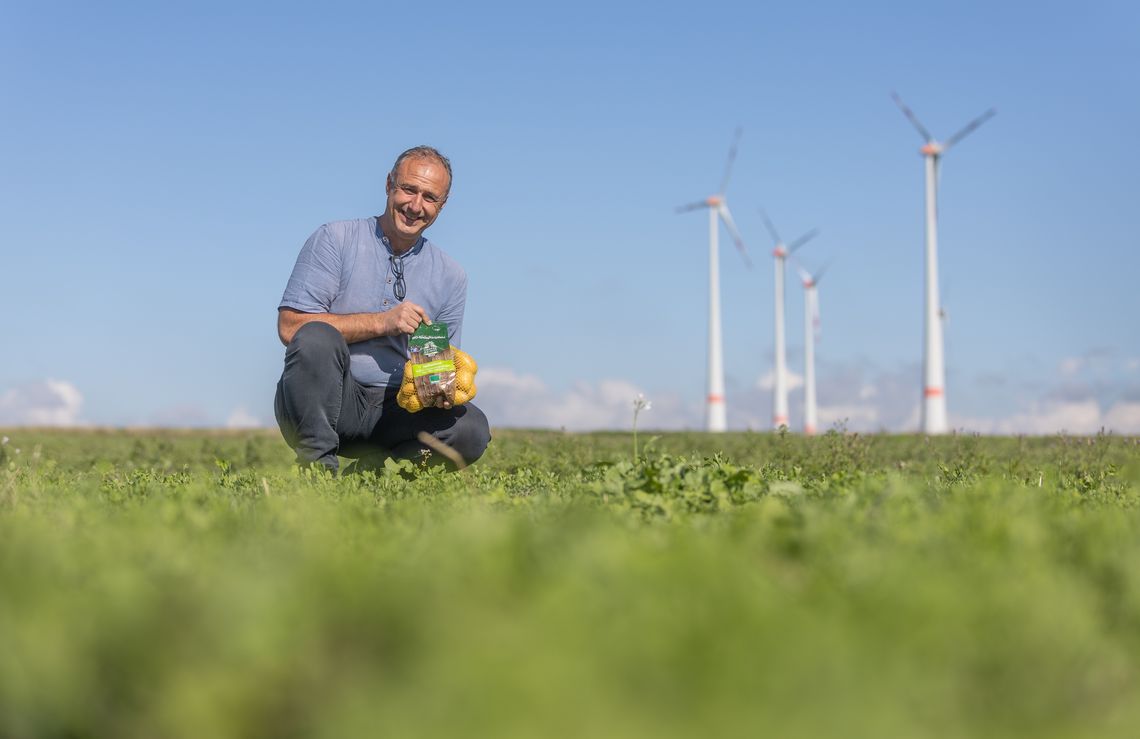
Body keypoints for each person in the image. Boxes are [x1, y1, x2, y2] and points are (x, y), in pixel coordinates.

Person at [274, 146, 491, 474]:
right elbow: (290, 327)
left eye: (430, 198)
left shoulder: (451, 275)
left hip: (397, 409)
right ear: (389, 184)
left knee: (472, 428)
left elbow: (436, 366)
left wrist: (441, 390)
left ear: (442, 206)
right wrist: (383, 322)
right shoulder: (335, 239)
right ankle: (316, 471)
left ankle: (380, 472)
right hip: (329, 400)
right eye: (408, 189)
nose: (415, 206)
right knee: (315, 337)